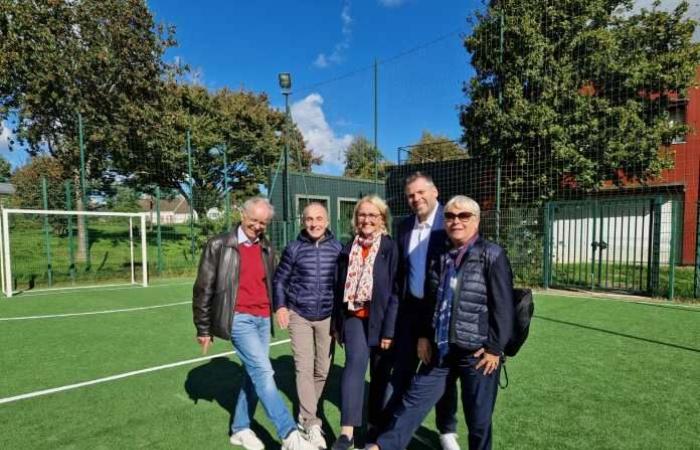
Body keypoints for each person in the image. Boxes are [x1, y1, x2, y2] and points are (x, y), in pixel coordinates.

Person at [367, 195, 515, 450]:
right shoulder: (440, 255)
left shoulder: (492, 254)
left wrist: (494, 348)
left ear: (476, 221)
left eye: (463, 216)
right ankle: (381, 447)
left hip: (477, 355)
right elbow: (430, 302)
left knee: (478, 421)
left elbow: (504, 306)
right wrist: (425, 335)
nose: (456, 221)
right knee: (412, 403)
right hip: (441, 351)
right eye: (450, 216)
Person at [192, 196, 315, 450]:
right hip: (237, 318)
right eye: (254, 220)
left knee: (252, 374)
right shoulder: (219, 245)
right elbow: (203, 288)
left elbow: (276, 283)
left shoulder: (267, 248)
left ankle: (240, 428)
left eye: (263, 222)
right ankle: (290, 435)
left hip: (261, 320)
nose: (258, 226)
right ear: (242, 216)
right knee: (263, 371)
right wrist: (203, 327)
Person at [384, 172, 460, 449]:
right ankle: (391, 426)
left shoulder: (451, 222)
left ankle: (446, 429)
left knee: (441, 372)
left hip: (441, 312)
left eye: (420, 192)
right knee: (401, 370)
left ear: (435, 191)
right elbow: (401, 275)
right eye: (410, 195)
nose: (416, 199)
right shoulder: (403, 226)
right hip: (410, 311)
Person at [330, 195, 399, 450]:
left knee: (380, 375)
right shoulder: (348, 247)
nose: (366, 219)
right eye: (362, 214)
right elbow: (338, 287)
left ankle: (374, 431)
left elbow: (396, 291)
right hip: (354, 317)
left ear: (382, 219)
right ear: (356, 218)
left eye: (373, 215)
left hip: (382, 320)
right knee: (354, 365)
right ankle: (347, 433)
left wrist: (390, 329)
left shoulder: (391, 248)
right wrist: (337, 323)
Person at [273, 202, 342, 449]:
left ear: (327, 221)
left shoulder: (338, 248)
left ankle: (303, 416)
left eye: (319, 218)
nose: (314, 223)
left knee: (322, 369)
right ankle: (312, 423)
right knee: (304, 367)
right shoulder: (293, 249)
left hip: (327, 316)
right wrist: (281, 306)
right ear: (303, 221)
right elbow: (279, 280)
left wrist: (341, 320)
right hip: (299, 314)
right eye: (309, 219)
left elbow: (342, 285)